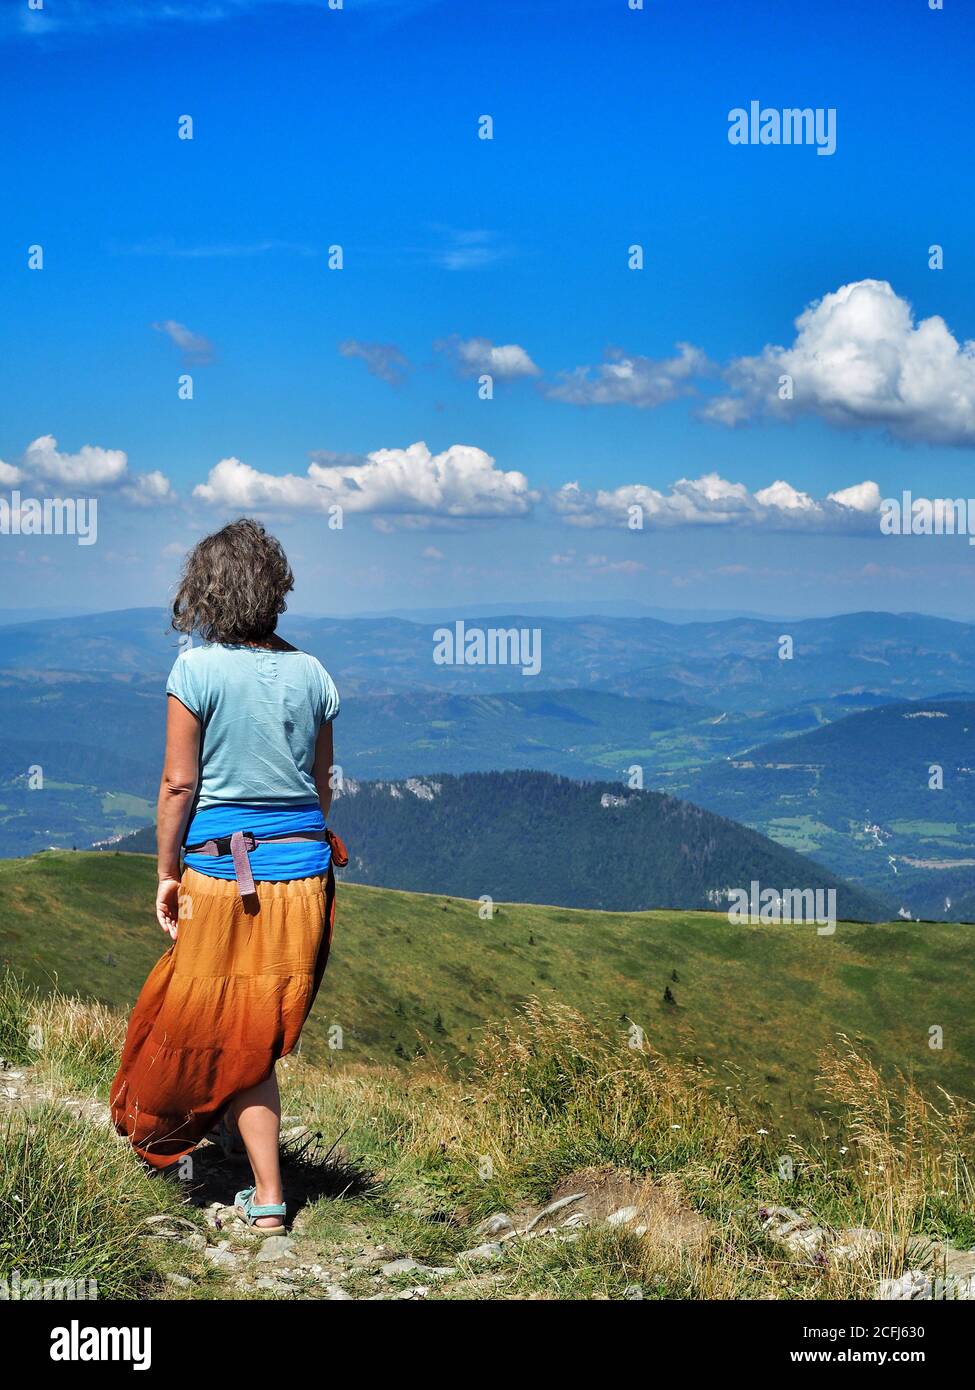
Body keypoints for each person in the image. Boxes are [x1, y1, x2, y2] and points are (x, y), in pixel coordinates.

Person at [110, 517, 344, 1232]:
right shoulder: (313, 674)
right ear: (274, 590)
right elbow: (320, 785)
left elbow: (179, 786)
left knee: (220, 1026)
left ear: (205, 595)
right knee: (253, 1030)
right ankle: (241, 1155)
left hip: (224, 875)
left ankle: (265, 1195)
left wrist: (164, 873)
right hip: (306, 875)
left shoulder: (197, 670)